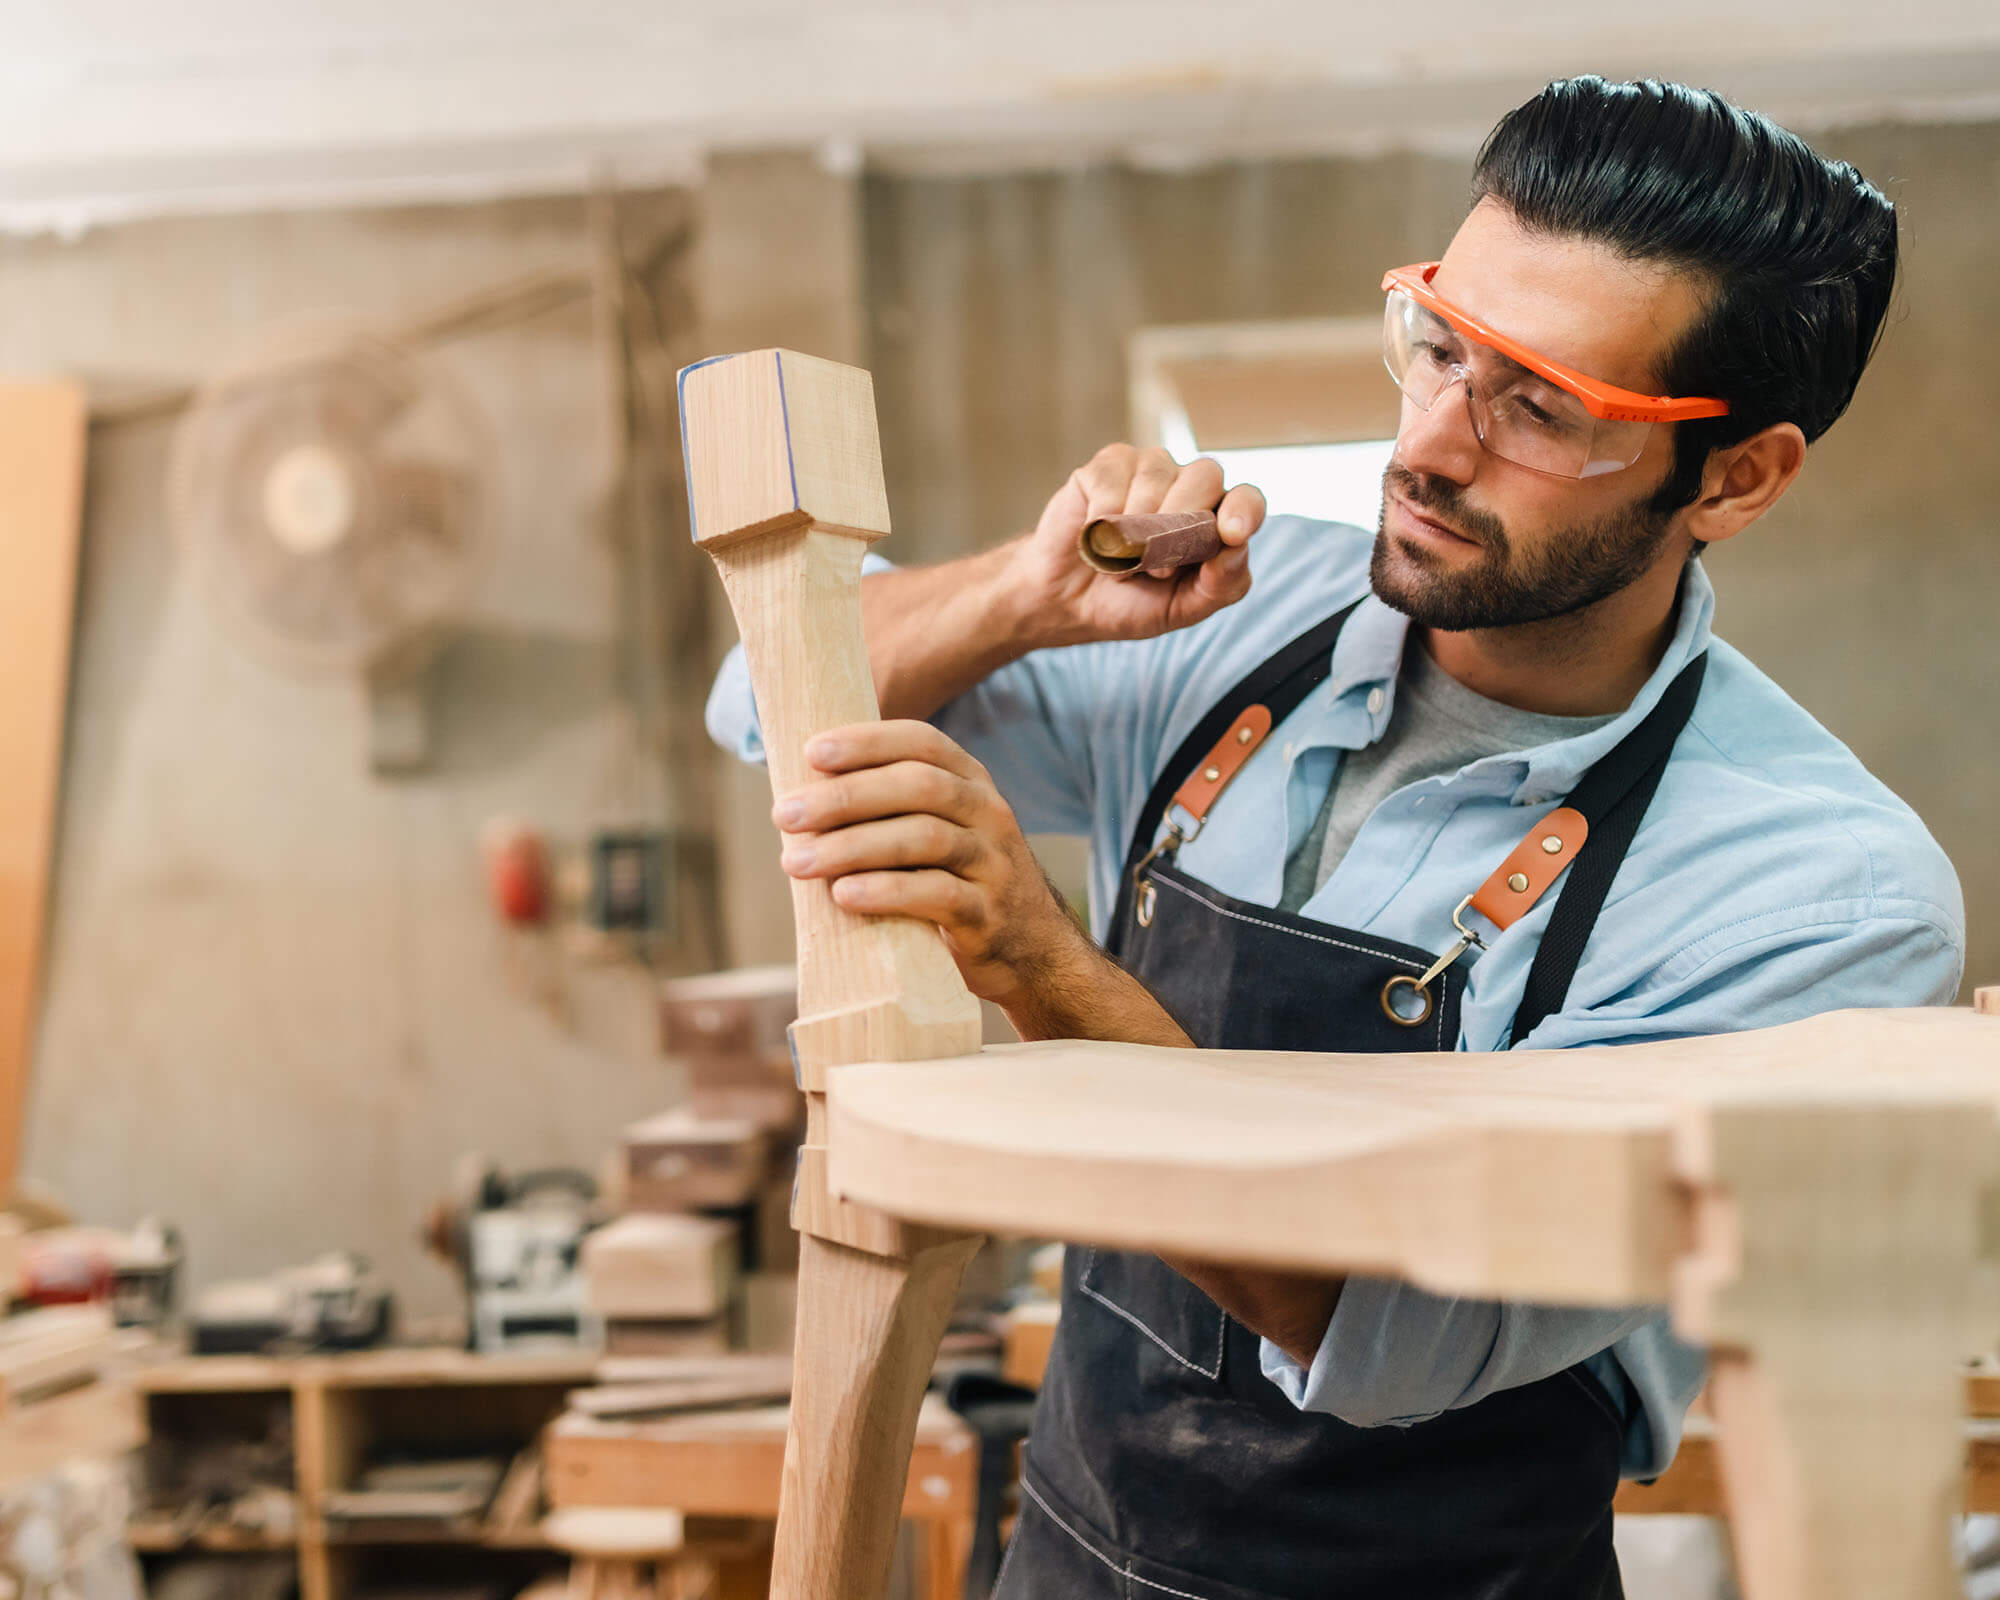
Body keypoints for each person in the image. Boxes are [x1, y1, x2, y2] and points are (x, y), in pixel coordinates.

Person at [706, 76, 1965, 1600]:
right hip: (1073, 1560)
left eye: (1540, 407)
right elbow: (764, 698)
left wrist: (1042, 966)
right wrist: (1023, 595)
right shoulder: (1244, 617)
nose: (1430, 447)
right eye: (1439, 347)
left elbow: (1396, 1335)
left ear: (1740, 477)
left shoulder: (1808, 884)